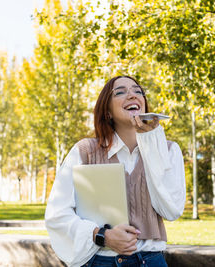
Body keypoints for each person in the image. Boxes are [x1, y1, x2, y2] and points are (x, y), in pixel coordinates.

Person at [45, 76, 186, 267]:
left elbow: (171, 210)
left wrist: (152, 144)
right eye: (120, 92)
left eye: (138, 91)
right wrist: (104, 236)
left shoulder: (168, 151)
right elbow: (57, 214)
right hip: (101, 261)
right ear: (108, 112)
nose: (132, 95)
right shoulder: (85, 151)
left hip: (151, 260)